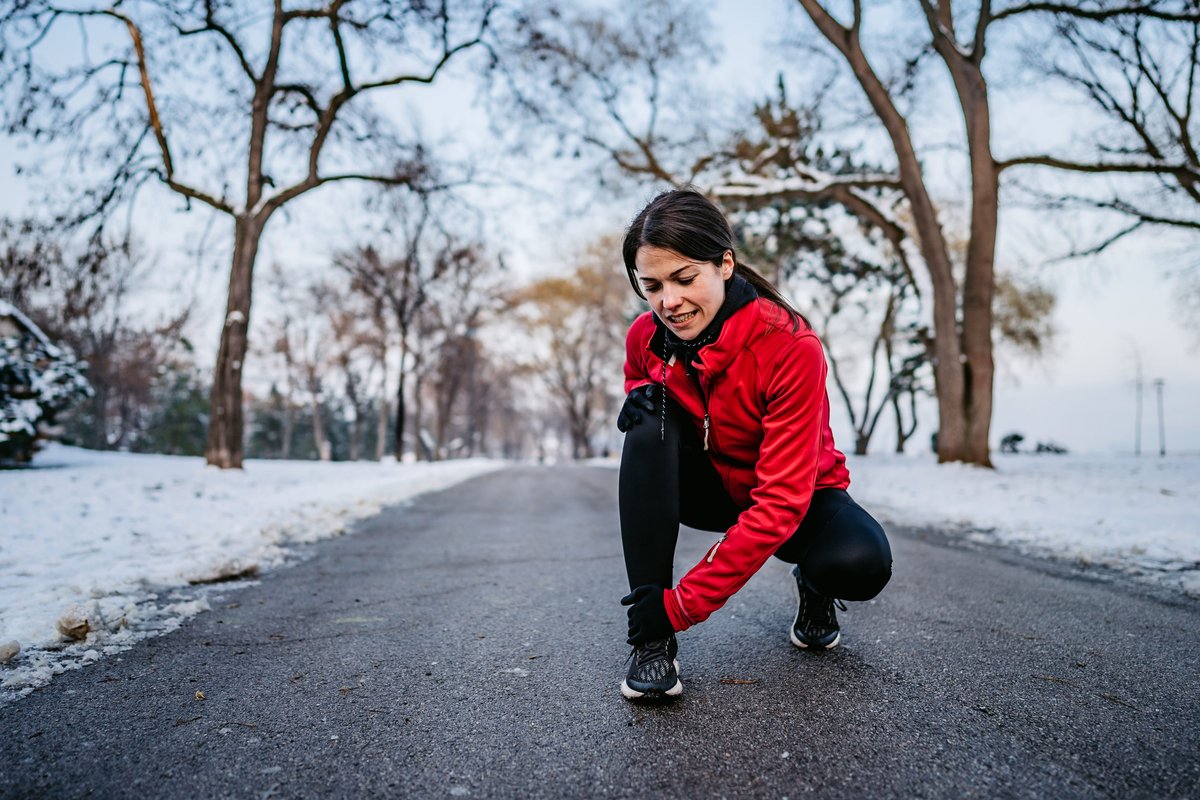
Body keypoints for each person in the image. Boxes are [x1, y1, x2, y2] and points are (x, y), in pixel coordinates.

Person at [615, 188, 893, 701]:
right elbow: (638, 372)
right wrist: (639, 396)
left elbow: (781, 502)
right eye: (650, 285)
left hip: (797, 496)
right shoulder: (645, 334)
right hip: (712, 485)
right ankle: (651, 637)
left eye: (683, 279)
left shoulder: (790, 346)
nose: (667, 302)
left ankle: (815, 585)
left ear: (724, 264)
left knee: (860, 561)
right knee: (646, 427)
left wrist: (685, 604)